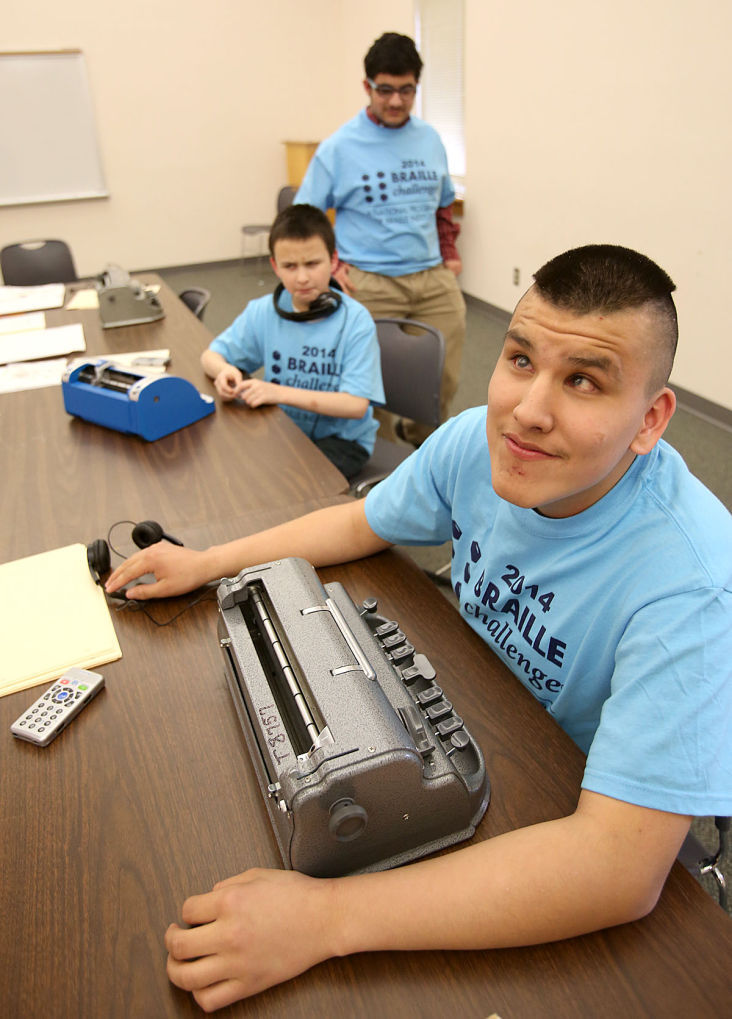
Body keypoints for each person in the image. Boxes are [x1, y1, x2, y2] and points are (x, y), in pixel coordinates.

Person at [107, 244, 732, 1013]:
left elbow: (616, 867)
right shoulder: (481, 439)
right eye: (520, 357)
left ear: (651, 420)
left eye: (583, 380)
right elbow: (361, 522)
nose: (528, 409)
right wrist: (209, 562)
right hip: (473, 732)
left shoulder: (695, 583)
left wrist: (326, 919)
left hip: (564, 807)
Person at [295, 32, 466, 446]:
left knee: (442, 376)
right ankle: (384, 462)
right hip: (369, 282)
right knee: (376, 385)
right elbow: (303, 218)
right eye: (385, 90)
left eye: (406, 90)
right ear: (367, 86)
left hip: (432, 279)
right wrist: (331, 264)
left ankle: (424, 440)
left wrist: (449, 253)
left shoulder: (430, 138)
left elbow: (443, 205)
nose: (395, 101)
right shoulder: (339, 147)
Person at [201, 204, 384, 481]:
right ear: (274, 265)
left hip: (342, 442)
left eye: (312, 264)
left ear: (334, 261)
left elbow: (356, 405)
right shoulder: (264, 311)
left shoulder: (356, 321)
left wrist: (278, 393)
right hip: (282, 428)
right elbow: (211, 356)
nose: (302, 277)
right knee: (230, 463)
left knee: (280, 482)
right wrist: (225, 372)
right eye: (289, 266)